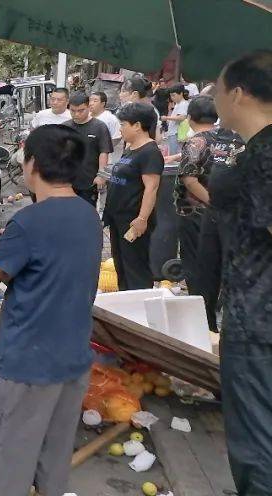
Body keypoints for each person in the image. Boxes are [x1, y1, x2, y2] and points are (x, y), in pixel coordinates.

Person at [0, 125, 101, 496]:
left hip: (27, 362)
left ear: (32, 165)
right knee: (51, 456)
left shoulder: (30, 221)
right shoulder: (89, 215)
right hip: (72, 359)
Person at [211, 49, 272, 496]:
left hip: (260, 322)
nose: (213, 96)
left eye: (217, 88)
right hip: (253, 313)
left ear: (238, 93)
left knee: (257, 441)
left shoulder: (266, 155)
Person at [173, 95, 245, 332]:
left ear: (190, 117)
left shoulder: (197, 142)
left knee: (198, 269)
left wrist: (214, 202)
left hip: (197, 215)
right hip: (231, 217)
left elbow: (189, 179)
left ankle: (203, 323)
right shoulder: (236, 140)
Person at [103, 103, 164, 290]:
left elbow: (151, 188)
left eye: (123, 124)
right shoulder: (131, 149)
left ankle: (139, 312)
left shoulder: (150, 152)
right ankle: (125, 306)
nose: (120, 129)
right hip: (118, 218)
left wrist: (142, 218)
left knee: (135, 268)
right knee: (122, 266)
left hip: (133, 220)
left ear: (137, 125)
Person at [63, 92, 113, 207]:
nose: (76, 114)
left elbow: (103, 152)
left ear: (88, 107)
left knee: (86, 212)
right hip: (67, 181)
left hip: (89, 182)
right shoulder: (65, 127)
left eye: (81, 110)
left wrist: (101, 175)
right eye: (73, 111)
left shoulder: (99, 127)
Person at [91, 91, 123, 157]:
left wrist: (104, 149)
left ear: (102, 103)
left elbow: (117, 137)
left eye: (95, 101)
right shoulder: (85, 115)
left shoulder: (110, 118)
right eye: (90, 100)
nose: (91, 103)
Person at [162, 85, 190, 154]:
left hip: (176, 133)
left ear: (181, 93)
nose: (172, 98)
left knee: (174, 155)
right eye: (171, 96)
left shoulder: (183, 104)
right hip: (173, 132)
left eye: (173, 95)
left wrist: (167, 118)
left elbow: (181, 117)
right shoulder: (178, 103)